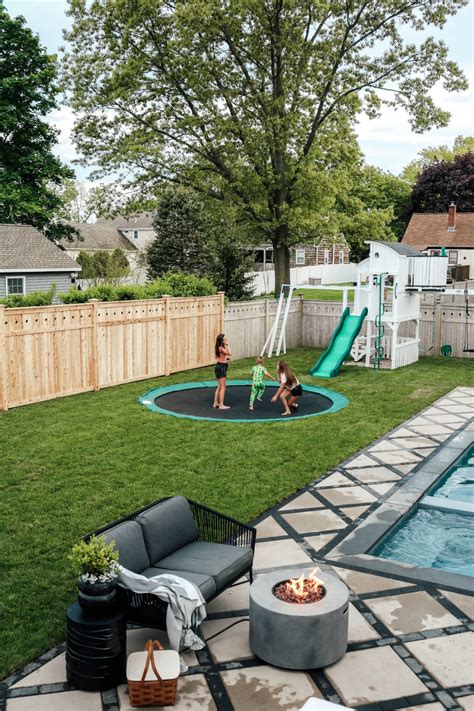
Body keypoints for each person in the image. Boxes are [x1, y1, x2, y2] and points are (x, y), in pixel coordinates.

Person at [213, 333, 231, 409]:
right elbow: (230, 353)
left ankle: (215, 403)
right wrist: (227, 345)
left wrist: (225, 358)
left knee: (219, 386)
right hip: (221, 367)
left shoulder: (218, 348)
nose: (226, 340)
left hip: (218, 366)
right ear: (222, 341)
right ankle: (221, 405)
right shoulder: (221, 348)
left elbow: (220, 357)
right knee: (223, 387)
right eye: (225, 339)